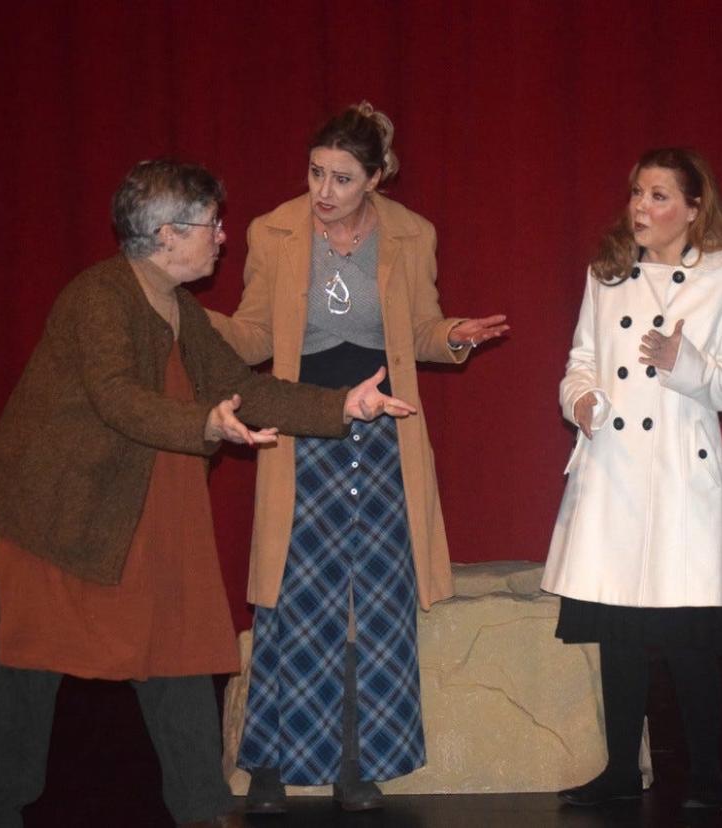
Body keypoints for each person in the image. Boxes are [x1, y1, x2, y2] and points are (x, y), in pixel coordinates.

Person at [0, 159, 414, 828]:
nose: (223, 237)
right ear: (167, 234)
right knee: (22, 671)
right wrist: (203, 422)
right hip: (49, 516)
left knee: (174, 650)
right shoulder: (100, 297)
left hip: (133, 515)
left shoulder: (180, 308)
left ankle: (202, 808)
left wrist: (343, 404)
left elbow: (247, 387)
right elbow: (118, 399)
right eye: (210, 225)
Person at [206, 102, 508, 812]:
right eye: (316, 173)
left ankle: (357, 765)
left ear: (376, 177)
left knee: (374, 604)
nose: (324, 190)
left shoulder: (411, 234)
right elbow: (252, 334)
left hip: (382, 435)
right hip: (302, 428)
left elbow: (423, 330)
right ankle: (272, 765)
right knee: (291, 597)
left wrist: (454, 334)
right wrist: (190, 325)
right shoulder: (274, 232)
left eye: (343, 177)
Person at [542, 147, 722, 812]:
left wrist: (685, 362)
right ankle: (619, 770)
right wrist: (579, 401)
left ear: (695, 209)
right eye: (638, 193)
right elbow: (581, 359)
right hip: (613, 470)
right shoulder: (607, 276)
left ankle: (705, 774)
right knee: (619, 635)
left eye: (659, 196)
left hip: (680, 478)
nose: (641, 207)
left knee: (689, 637)